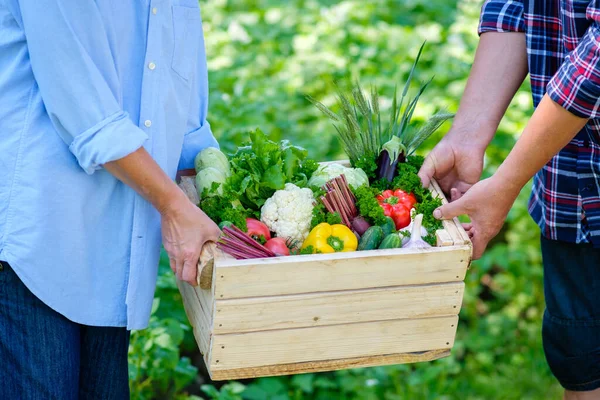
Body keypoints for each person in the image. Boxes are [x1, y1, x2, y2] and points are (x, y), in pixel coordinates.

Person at [0, 1, 220, 398]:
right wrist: (174, 207)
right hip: (34, 246)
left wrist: (233, 217)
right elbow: (87, 115)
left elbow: (188, 126)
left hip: (111, 256)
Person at [419, 0, 600, 398]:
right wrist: (465, 135)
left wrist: (506, 183)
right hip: (572, 189)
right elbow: (513, 7)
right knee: (583, 364)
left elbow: (594, 67)